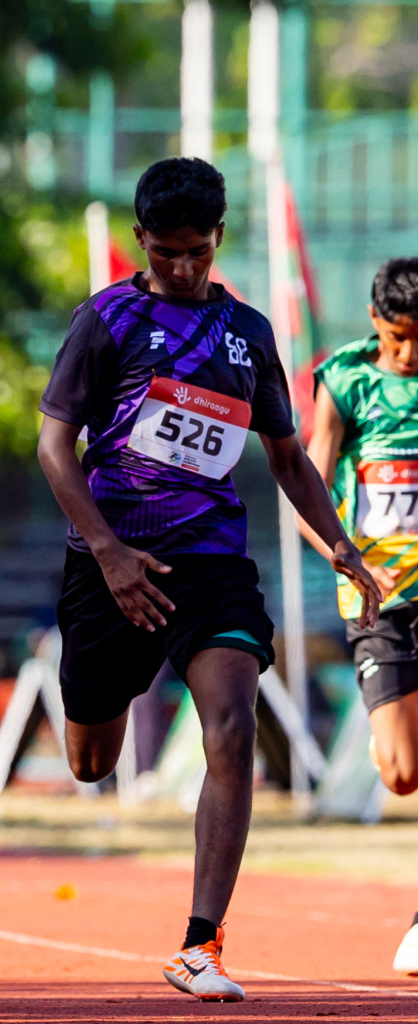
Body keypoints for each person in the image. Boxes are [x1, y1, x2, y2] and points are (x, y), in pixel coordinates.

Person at [36, 157, 378, 1002]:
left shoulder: (249, 333)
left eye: (197, 252)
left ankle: (201, 943)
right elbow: (53, 448)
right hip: (109, 563)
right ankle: (101, 691)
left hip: (212, 561)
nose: (183, 268)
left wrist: (338, 542)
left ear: (218, 239)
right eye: (165, 254)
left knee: (229, 726)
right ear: (141, 241)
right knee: (90, 761)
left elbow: (288, 458)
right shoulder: (106, 320)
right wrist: (110, 553)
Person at [298, 256, 418, 973]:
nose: (411, 355)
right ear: (377, 323)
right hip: (380, 599)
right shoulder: (345, 381)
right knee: (401, 774)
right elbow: (309, 479)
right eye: (400, 338)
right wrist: (343, 554)